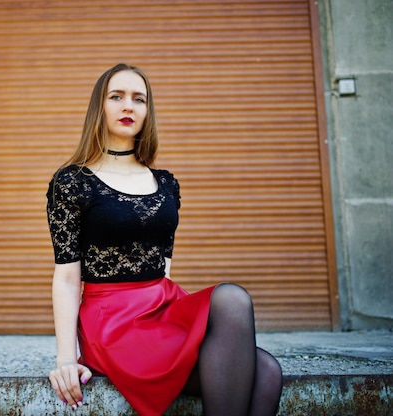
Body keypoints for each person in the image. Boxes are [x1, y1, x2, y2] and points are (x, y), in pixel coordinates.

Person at [46, 63, 283, 416]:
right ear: (101, 106)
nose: (129, 106)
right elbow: (67, 277)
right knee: (232, 300)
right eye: (117, 96)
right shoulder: (72, 182)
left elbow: (165, 268)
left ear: (147, 111)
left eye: (139, 99)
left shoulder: (166, 183)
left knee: (267, 371)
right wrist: (66, 358)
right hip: (112, 321)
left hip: (161, 306)